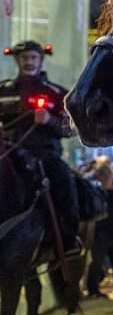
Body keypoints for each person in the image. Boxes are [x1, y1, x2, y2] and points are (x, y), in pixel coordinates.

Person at [0, 41, 86, 286]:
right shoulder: (3, 90)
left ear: (40, 60)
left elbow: (71, 129)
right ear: (17, 61)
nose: (28, 62)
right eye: (24, 58)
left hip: (44, 156)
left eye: (33, 58)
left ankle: (69, 240)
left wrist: (49, 120)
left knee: (65, 181)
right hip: (11, 155)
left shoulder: (56, 92)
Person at [85, 164, 113, 297]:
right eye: (110, 176)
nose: (112, 179)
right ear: (103, 177)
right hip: (101, 235)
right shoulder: (96, 194)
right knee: (97, 263)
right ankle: (93, 290)